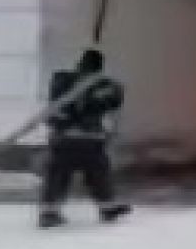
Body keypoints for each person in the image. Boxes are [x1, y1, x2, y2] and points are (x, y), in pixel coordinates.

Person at [39, 48, 131, 228]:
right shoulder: (107, 86)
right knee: (98, 174)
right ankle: (107, 208)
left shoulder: (62, 80)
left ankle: (50, 212)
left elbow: (54, 107)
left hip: (66, 138)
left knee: (59, 174)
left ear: (80, 63)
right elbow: (113, 109)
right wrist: (112, 133)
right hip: (90, 139)